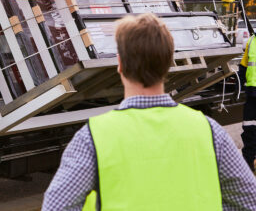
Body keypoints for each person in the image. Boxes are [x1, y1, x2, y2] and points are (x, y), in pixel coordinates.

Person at [42, 13, 256, 211]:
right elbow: (249, 201)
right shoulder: (210, 132)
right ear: (169, 61)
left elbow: (57, 207)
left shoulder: (92, 138)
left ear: (120, 64)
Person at [240, 31, 256, 171]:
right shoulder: (251, 41)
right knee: (249, 127)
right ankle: (248, 163)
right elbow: (244, 65)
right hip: (252, 93)